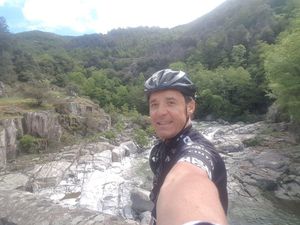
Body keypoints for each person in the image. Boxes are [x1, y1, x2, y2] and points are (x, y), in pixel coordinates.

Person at [144, 69, 228, 225]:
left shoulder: (198, 149)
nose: (160, 112)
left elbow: (187, 177)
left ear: (190, 107)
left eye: (171, 102)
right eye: (154, 104)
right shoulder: (166, 144)